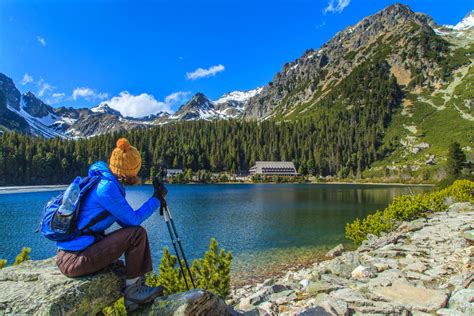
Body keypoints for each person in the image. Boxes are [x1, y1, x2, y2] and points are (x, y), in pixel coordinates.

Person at [56, 138, 168, 310]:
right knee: (137, 234)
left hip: (73, 253)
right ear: (127, 173)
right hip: (74, 260)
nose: (137, 176)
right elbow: (133, 221)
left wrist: (155, 198)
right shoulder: (107, 189)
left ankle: (137, 284)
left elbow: (126, 222)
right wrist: (155, 199)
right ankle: (133, 294)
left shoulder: (102, 181)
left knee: (134, 233)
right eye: (135, 171)